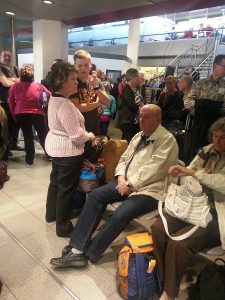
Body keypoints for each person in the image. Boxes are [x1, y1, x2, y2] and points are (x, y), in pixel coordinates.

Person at [49, 104, 179, 268]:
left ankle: (90, 252)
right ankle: (77, 247)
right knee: (95, 196)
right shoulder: (139, 136)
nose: (141, 120)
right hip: (126, 182)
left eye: (146, 117)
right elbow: (124, 159)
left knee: (121, 213)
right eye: (140, 116)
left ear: (158, 120)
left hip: (151, 190)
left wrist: (130, 184)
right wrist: (121, 178)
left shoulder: (167, 140)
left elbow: (156, 169)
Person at [151, 117, 225, 300]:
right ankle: (164, 279)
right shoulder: (206, 152)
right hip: (193, 206)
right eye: (215, 136)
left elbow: (222, 183)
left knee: (178, 245)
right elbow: (187, 176)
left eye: (223, 137)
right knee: (158, 228)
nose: (217, 142)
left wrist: (197, 174)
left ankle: (169, 293)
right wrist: (183, 174)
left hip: (217, 213)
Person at [45, 61, 96, 237]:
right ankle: (63, 226)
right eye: (73, 79)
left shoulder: (54, 98)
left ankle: (51, 214)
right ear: (61, 81)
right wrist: (89, 135)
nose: (76, 82)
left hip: (57, 150)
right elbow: (76, 136)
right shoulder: (65, 104)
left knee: (55, 184)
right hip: (68, 152)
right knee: (66, 190)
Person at [185, 54, 225, 164]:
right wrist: (198, 110)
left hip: (217, 127)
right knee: (196, 153)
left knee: (213, 155)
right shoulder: (201, 83)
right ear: (215, 66)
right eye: (224, 66)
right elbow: (188, 101)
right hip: (199, 125)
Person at [8, 66, 50, 166]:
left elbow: (11, 101)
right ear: (32, 75)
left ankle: (29, 160)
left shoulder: (15, 86)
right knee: (43, 135)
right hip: (37, 114)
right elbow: (49, 94)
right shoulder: (38, 85)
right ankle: (49, 155)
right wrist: (42, 102)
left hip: (21, 114)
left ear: (20, 75)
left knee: (27, 136)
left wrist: (14, 114)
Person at [70, 50, 109, 136]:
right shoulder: (72, 82)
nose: (83, 68)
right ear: (75, 66)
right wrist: (98, 103)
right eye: (79, 65)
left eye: (86, 65)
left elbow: (107, 102)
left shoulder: (96, 81)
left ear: (90, 65)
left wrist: (95, 87)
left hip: (95, 129)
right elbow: (78, 107)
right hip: (77, 132)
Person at [0, 50, 22, 152]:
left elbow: (22, 81)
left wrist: (11, 79)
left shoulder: (15, 68)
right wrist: (15, 80)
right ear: (0, 57)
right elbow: (6, 83)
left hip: (17, 101)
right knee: (7, 126)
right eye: (5, 56)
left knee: (16, 124)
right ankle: (5, 149)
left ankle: (13, 144)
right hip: (4, 101)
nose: (7, 58)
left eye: (9, 56)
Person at [119, 68, 144, 142]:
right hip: (129, 122)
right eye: (138, 77)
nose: (140, 79)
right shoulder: (127, 89)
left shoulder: (136, 89)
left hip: (135, 122)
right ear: (132, 77)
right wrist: (142, 108)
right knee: (128, 142)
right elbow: (132, 106)